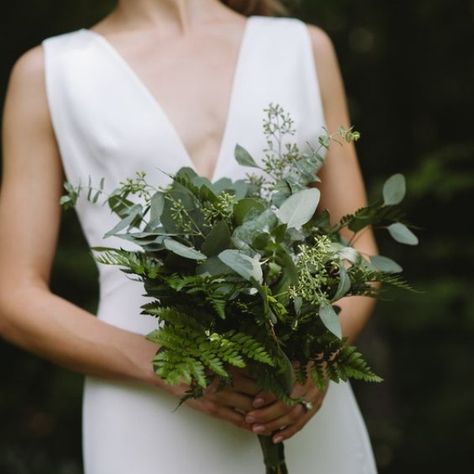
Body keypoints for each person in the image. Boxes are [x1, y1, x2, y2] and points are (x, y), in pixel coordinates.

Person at [0, 0, 380, 472]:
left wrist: (320, 357)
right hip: (147, 407)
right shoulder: (50, 73)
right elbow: (12, 293)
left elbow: (358, 247)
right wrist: (162, 366)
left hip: (297, 400)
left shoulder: (303, 48)